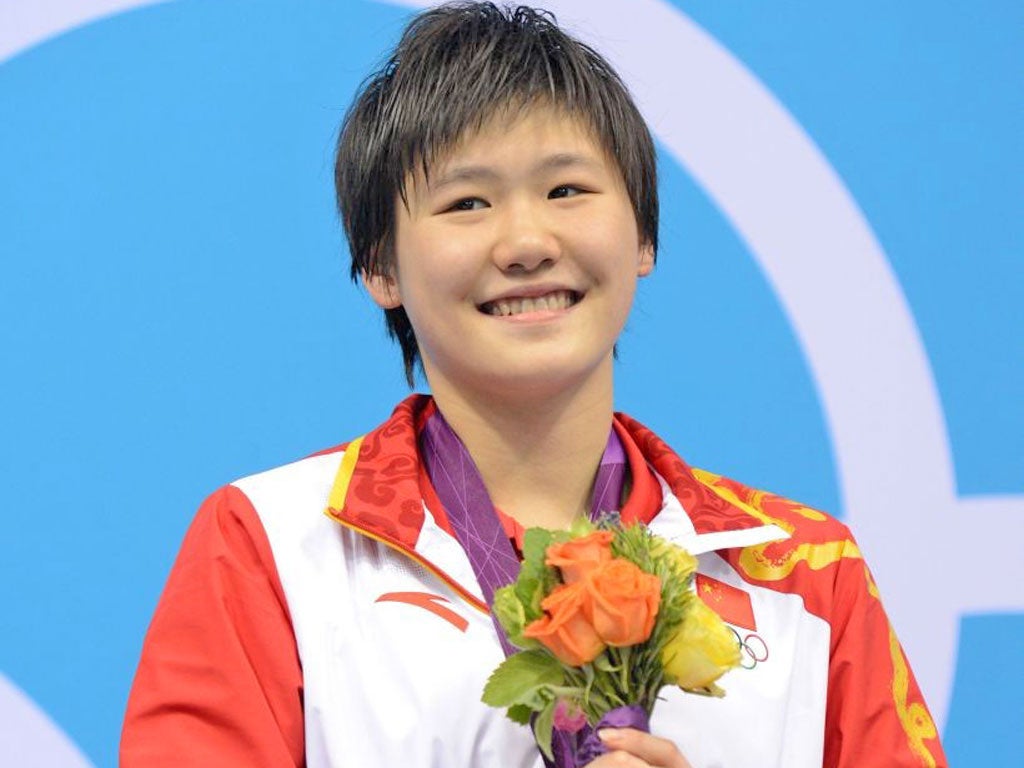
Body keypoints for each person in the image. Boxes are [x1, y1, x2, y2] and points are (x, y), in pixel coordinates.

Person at [120, 3, 948, 766]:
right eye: (468, 203)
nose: (526, 241)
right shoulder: (274, 545)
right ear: (380, 268)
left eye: (567, 191)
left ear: (643, 238)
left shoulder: (798, 573)